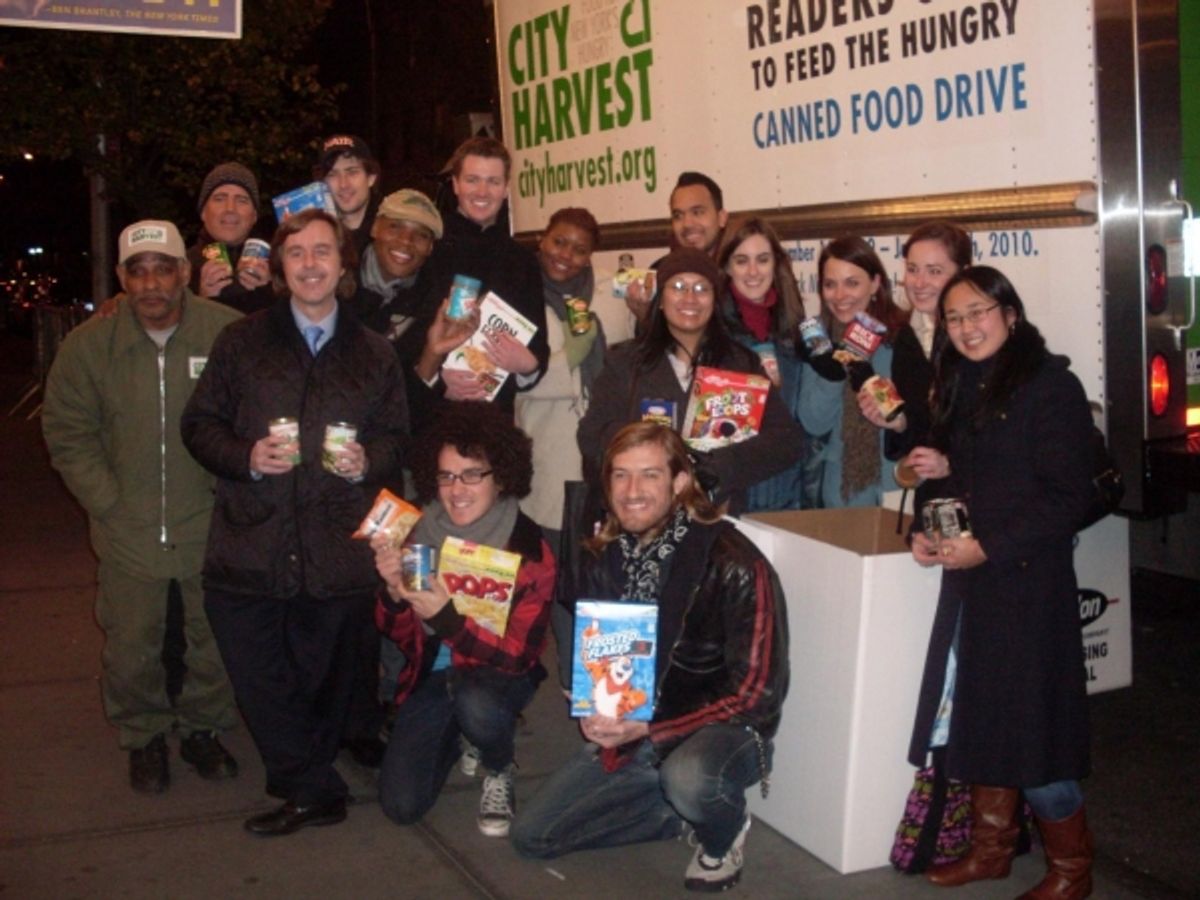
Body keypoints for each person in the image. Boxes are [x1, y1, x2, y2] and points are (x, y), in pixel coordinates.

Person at [181, 209, 409, 836]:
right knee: (259, 673)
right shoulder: (242, 341)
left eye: (323, 252)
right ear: (280, 266)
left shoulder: (373, 352)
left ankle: (311, 781)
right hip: (250, 541)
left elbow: (396, 438)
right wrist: (246, 457)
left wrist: (371, 460)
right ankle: (311, 784)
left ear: (343, 263)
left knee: (320, 678)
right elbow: (199, 426)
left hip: (335, 547)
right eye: (298, 253)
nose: (311, 264)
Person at [511, 422, 789, 893]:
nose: (632, 491)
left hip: (719, 731)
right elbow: (608, 659)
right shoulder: (609, 551)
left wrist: (649, 727)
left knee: (691, 777)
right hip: (641, 727)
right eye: (620, 475)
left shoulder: (735, 561)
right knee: (532, 836)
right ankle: (676, 813)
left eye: (649, 475)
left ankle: (722, 834)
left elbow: (756, 695)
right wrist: (599, 709)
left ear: (680, 483)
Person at [907, 267, 1096, 898]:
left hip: (1029, 586)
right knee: (982, 721)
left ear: (1010, 314)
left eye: (978, 312)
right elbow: (948, 473)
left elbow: (1070, 498)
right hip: (975, 587)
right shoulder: (959, 384)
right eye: (953, 318)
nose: (965, 327)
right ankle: (991, 850)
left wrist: (988, 545)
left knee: (1037, 733)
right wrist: (926, 529)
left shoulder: (1051, 386)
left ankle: (1072, 871)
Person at [42, 220, 241, 794]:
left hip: (209, 525)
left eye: (163, 268)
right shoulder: (89, 346)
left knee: (214, 639)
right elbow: (67, 432)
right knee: (132, 645)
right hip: (127, 529)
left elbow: (254, 414)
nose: (152, 282)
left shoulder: (226, 333)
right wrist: (108, 503)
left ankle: (204, 729)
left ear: (185, 272)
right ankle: (144, 736)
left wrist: (233, 499)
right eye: (138, 269)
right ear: (122, 278)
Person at [372, 402, 556, 838]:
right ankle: (465, 733)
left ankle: (498, 763)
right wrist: (394, 595)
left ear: (502, 477)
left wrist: (450, 621)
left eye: (473, 474)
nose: (457, 489)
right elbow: (399, 636)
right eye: (446, 475)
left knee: (477, 700)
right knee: (401, 805)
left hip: (497, 676)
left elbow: (517, 657)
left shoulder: (528, 549)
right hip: (433, 676)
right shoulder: (415, 531)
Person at [577, 247, 804, 515]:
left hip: (714, 519)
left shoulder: (740, 363)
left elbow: (786, 441)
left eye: (701, 288)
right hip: (640, 517)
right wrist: (658, 452)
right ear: (660, 299)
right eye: (678, 286)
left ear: (714, 300)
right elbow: (591, 436)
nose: (689, 297)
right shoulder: (625, 362)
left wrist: (721, 465)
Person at [514, 207, 635, 552]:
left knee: (597, 560)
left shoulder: (613, 292)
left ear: (589, 257)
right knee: (551, 562)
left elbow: (630, 361)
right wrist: (571, 358)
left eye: (579, 249)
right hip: (544, 450)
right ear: (542, 239)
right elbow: (514, 378)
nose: (565, 255)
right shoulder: (518, 289)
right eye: (559, 242)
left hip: (603, 450)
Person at [418, 136, 549, 414]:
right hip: (433, 416)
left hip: (497, 419)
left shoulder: (523, 261)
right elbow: (406, 344)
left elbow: (538, 350)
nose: (482, 191)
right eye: (472, 179)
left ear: (506, 189)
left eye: (493, 181)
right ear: (455, 184)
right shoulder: (430, 250)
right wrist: (438, 381)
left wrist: (527, 365)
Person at [797, 236, 908, 508]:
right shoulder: (818, 341)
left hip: (899, 481)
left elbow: (923, 419)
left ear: (876, 283)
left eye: (852, 283)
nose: (839, 295)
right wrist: (832, 374)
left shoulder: (903, 338)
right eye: (830, 284)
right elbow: (813, 422)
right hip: (842, 491)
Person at [715, 216, 809, 510]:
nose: (753, 271)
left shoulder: (796, 330)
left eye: (763, 259)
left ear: (776, 264)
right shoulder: (713, 333)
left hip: (793, 495)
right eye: (741, 260)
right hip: (735, 497)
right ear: (727, 267)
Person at [861, 221, 973, 467]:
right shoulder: (906, 337)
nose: (919, 283)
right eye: (913, 269)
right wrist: (898, 422)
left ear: (963, 273)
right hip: (931, 496)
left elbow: (999, 432)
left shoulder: (979, 337)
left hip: (983, 493)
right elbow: (920, 432)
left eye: (934, 271)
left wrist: (951, 463)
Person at [624, 171, 729, 331]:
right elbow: (649, 349)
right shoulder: (658, 273)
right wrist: (647, 318)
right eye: (678, 215)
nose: (687, 224)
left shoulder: (740, 271)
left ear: (722, 218)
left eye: (697, 212)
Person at [187, 162, 273, 314]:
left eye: (242, 200)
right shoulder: (181, 268)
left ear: (254, 216)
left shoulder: (279, 266)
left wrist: (270, 292)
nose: (230, 209)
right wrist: (200, 302)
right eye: (220, 199)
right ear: (203, 212)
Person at [316, 133, 381, 258]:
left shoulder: (390, 230)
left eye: (352, 172)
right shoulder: (317, 230)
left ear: (371, 178)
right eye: (332, 174)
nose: (343, 184)